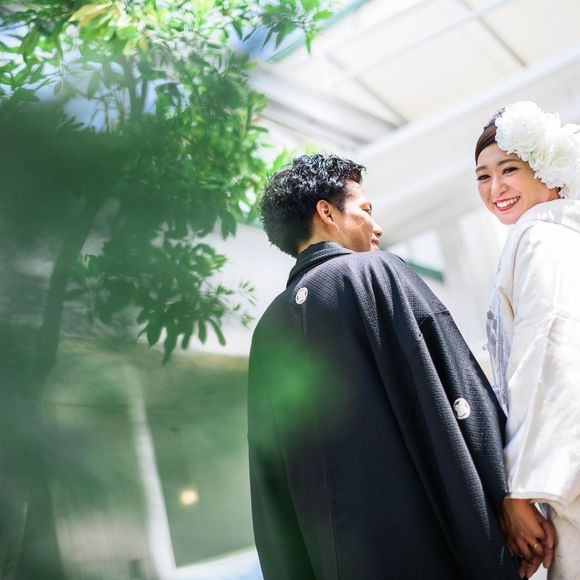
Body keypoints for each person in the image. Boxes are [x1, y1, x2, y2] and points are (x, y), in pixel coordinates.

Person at [247, 153, 521, 579]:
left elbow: (270, 482)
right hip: (429, 550)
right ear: (326, 212)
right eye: (365, 210)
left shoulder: (267, 331)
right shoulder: (377, 273)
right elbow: (456, 386)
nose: (377, 227)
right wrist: (507, 496)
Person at [475, 101, 580, 579]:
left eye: (509, 169)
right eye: (483, 176)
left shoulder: (541, 235)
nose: (495, 187)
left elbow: (549, 350)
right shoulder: (557, 232)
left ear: (547, 171)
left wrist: (519, 490)